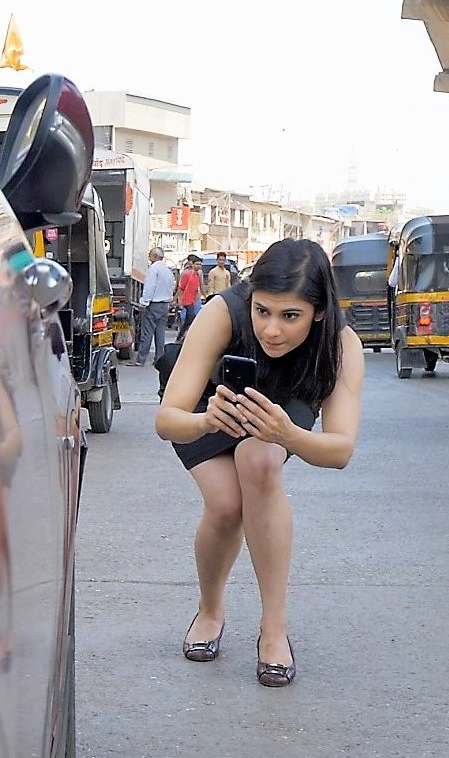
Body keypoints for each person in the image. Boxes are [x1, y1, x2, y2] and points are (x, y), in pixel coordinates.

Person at [154, 239, 364, 687]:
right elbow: (168, 419)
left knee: (261, 459)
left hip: (286, 411)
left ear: (319, 312)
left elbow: (341, 450)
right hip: (210, 408)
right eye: (263, 311)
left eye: (291, 316)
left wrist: (288, 435)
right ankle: (210, 610)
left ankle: (275, 626)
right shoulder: (221, 312)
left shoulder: (341, 345)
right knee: (227, 505)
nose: (271, 330)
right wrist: (206, 420)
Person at [127, 246, 175, 367]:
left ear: (154, 257)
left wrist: (144, 302)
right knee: (160, 333)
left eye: (150, 255)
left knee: (147, 333)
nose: (149, 257)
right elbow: (172, 287)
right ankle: (159, 359)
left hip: (154, 304)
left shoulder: (153, 269)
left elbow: (150, 287)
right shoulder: (167, 270)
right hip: (164, 304)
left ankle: (140, 359)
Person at [175, 255, 204, 343]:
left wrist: (205, 296)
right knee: (189, 317)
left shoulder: (198, 275)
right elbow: (181, 288)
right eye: (197, 264)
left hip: (194, 300)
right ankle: (182, 336)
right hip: (187, 300)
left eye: (200, 264)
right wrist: (176, 299)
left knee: (191, 319)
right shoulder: (186, 274)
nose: (198, 266)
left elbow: (200, 287)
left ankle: (183, 337)